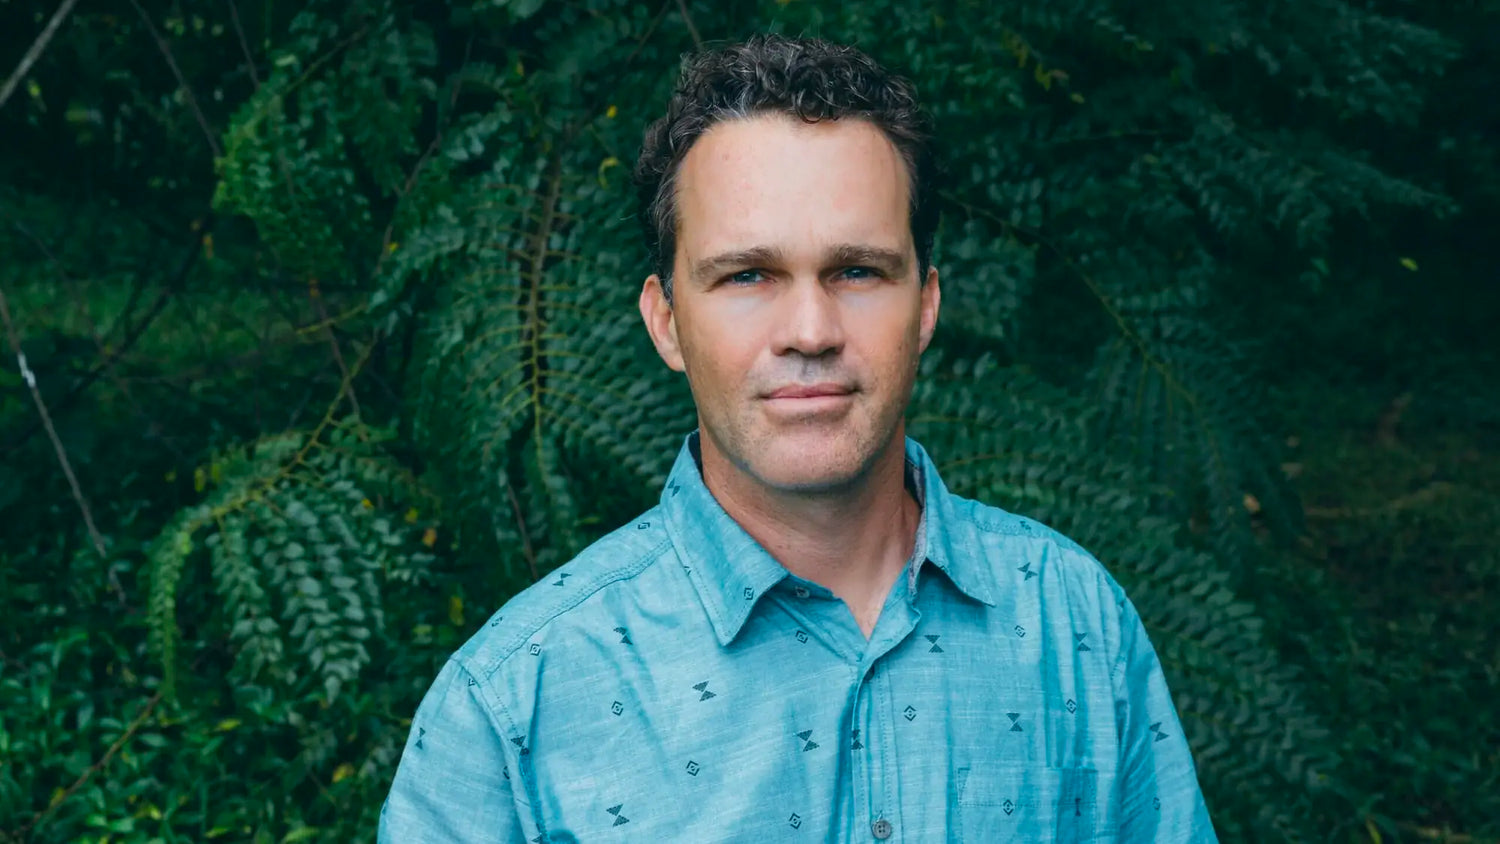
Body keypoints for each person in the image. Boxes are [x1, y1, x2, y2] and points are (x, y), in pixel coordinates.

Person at [378, 33, 1216, 842]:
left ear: (925, 305)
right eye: (748, 276)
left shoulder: (1074, 621)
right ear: (666, 321)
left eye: (857, 270)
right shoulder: (516, 706)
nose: (810, 330)